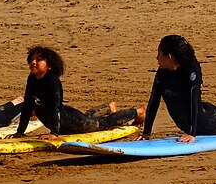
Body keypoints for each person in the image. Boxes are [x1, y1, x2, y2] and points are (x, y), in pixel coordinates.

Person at [12, 46, 143, 140]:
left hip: (72, 123)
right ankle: (109, 107)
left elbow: (56, 107)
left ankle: (137, 112)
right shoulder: (32, 79)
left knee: (104, 124)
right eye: (31, 59)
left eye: (38, 60)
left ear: (49, 65)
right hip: (67, 120)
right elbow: (28, 106)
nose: (33, 62)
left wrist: (54, 133)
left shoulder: (53, 81)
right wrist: (20, 132)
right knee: (89, 118)